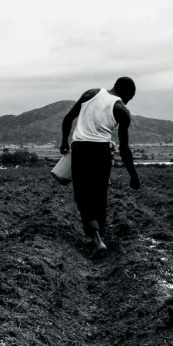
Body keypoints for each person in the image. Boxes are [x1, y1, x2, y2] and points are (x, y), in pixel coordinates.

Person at [60, 76, 140, 254]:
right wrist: (133, 176)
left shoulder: (90, 94)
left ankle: (96, 237)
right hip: (102, 152)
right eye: (129, 97)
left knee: (82, 195)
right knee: (99, 195)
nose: (127, 101)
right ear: (126, 91)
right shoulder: (122, 110)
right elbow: (124, 148)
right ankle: (99, 236)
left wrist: (64, 142)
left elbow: (68, 118)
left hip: (80, 150)